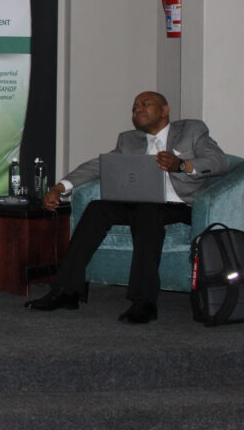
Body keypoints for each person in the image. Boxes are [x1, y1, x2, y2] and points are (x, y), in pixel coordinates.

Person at [27, 91, 229, 324]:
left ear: (164, 110)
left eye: (145, 104)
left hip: (181, 205)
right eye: (134, 107)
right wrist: (59, 187)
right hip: (140, 202)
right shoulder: (128, 139)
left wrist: (182, 165)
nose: (137, 109)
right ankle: (66, 291)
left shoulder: (191, 131)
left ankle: (144, 302)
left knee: (147, 212)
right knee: (97, 209)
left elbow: (219, 162)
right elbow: (98, 166)